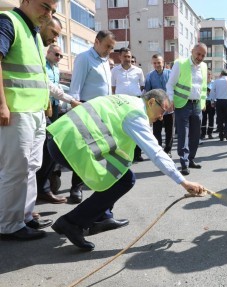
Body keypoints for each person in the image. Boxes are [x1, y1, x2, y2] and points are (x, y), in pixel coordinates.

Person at [47, 89, 205, 250]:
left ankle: (103, 216)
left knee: (119, 173)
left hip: (62, 138)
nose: (161, 117)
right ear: (151, 102)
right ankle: (71, 222)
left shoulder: (128, 100)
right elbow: (156, 152)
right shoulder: (136, 115)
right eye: (162, 111)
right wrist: (183, 182)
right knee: (124, 180)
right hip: (68, 146)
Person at [0, 0, 59, 241]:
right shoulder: (8, 22)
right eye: (45, 6)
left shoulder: (34, 33)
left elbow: (37, 74)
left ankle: (24, 217)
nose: (48, 13)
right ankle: (8, 224)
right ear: (25, 1)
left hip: (34, 112)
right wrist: (1, 104)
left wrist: (45, 102)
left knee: (31, 167)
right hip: (16, 112)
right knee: (15, 170)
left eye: (53, 10)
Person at [36, 17, 80, 205]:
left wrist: (70, 100)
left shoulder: (52, 67)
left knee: (47, 149)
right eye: (53, 34)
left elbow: (53, 87)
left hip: (48, 108)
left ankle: (42, 190)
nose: (55, 39)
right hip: (33, 110)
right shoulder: (40, 59)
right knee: (43, 151)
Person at [68, 30, 115, 203]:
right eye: (107, 46)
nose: (109, 50)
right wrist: (75, 109)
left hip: (103, 112)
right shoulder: (84, 58)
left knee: (100, 151)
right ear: (96, 41)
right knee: (84, 150)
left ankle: (96, 184)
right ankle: (76, 188)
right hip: (86, 109)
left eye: (111, 47)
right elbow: (75, 88)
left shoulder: (104, 61)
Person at [166, 43, 208, 175]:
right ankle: (183, 163)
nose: (200, 57)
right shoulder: (180, 63)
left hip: (197, 105)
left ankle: (191, 159)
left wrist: (203, 102)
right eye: (198, 54)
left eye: (203, 55)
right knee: (183, 134)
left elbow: (203, 86)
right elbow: (170, 84)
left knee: (195, 134)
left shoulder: (204, 66)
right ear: (192, 51)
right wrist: (171, 99)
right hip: (182, 104)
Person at [145, 54, 173, 157]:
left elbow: (174, 88)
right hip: (156, 108)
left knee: (169, 129)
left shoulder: (170, 74)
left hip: (169, 106)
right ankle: (159, 148)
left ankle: (168, 150)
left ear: (163, 62)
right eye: (155, 63)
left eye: (159, 62)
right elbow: (148, 91)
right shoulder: (150, 76)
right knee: (157, 129)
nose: (157, 65)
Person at [209, 70, 227, 141]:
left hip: (219, 101)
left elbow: (212, 92)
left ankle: (221, 135)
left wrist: (212, 101)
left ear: (221, 74)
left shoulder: (216, 81)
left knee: (220, 119)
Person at [200, 69, 215, 140]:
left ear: (211, 75)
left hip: (211, 102)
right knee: (204, 118)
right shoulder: (202, 83)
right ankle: (203, 134)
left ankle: (210, 133)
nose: (208, 76)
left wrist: (210, 92)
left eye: (209, 74)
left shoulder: (214, 83)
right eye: (207, 74)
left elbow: (215, 93)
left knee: (211, 118)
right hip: (204, 102)